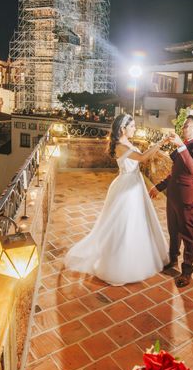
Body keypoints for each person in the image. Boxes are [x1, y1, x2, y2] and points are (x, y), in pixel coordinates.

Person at [64, 113, 170, 285]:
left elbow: (139, 158)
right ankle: (119, 263)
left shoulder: (126, 142)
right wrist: (160, 143)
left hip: (135, 183)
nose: (135, 128)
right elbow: (142, 158)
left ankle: (137, 256)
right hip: (127, 187)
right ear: (123, 128)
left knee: (138, 221)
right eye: (132, 126)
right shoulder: (120, 146)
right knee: (124, 223)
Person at [149, 115, 193, 288]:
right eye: (183, 126)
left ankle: (187, 271)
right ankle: (173, 259)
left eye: (187, 126)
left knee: (188, 234)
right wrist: (159, 187)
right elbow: (174, 173)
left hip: (187, 198)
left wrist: (181, 146)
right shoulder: (187, 145)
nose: (183, 128)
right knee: (173, 230)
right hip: (174, 196)